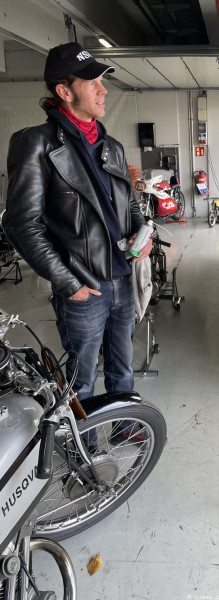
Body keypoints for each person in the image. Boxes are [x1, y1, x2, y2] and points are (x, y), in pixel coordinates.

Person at [3, 42, 152, 440]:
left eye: (103, 81)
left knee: (122, 368)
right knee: (81, 378)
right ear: (64, 91)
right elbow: (20, 224)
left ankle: (125, 426)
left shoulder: (112, 147)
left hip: (122, 278)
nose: (103, 90)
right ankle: (83, 449)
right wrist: (68, 283)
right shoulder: (36, 144)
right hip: (83, 286)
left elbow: (131, 203)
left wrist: (142, 233)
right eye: (92, 82)